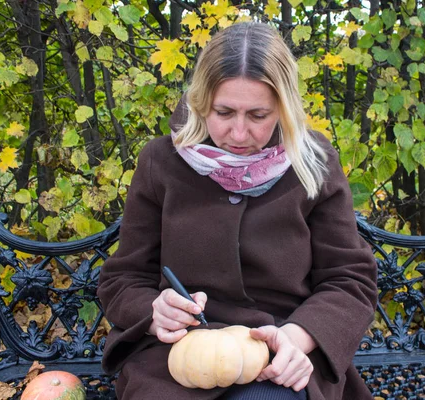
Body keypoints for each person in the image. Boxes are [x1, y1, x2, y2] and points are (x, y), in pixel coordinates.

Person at [97, 22, 377, 400]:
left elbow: (350, 280)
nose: (239, 134)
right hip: (176, 357)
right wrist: (153, 311)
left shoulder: (313, 162)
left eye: (258, 116)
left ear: (283, 107)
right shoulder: (160, 162)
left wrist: (298, 338)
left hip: (280, 352)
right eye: (224, 112)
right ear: (200, 101)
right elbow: (123, 278)